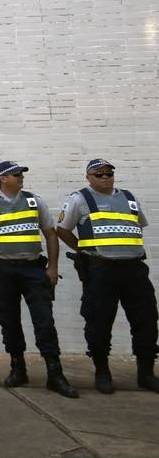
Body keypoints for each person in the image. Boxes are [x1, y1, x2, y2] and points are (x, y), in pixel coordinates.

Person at [0, 161, 78, 398]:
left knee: (44, 320)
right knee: (8, 321)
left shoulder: (34, 201)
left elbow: (50, 234)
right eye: (16, 174)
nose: (21, 177)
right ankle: (18, 368)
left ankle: (55, 373)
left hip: (33, 269)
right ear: (3, 178)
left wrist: (52, 267)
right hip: (1, 270)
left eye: (21, 174)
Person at [56, 158, 159, 393]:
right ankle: (102, 372)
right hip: (101, 270)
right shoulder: (80, 199)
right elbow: (62, 230)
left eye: (108, 173)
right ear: (88, 177)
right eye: (98, 174)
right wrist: (84, 251)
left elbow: (137, 226)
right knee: (99, 321)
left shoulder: (129, 198)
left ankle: (146, 373)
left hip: (134, 269)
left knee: (146, 319)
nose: (105, 177)